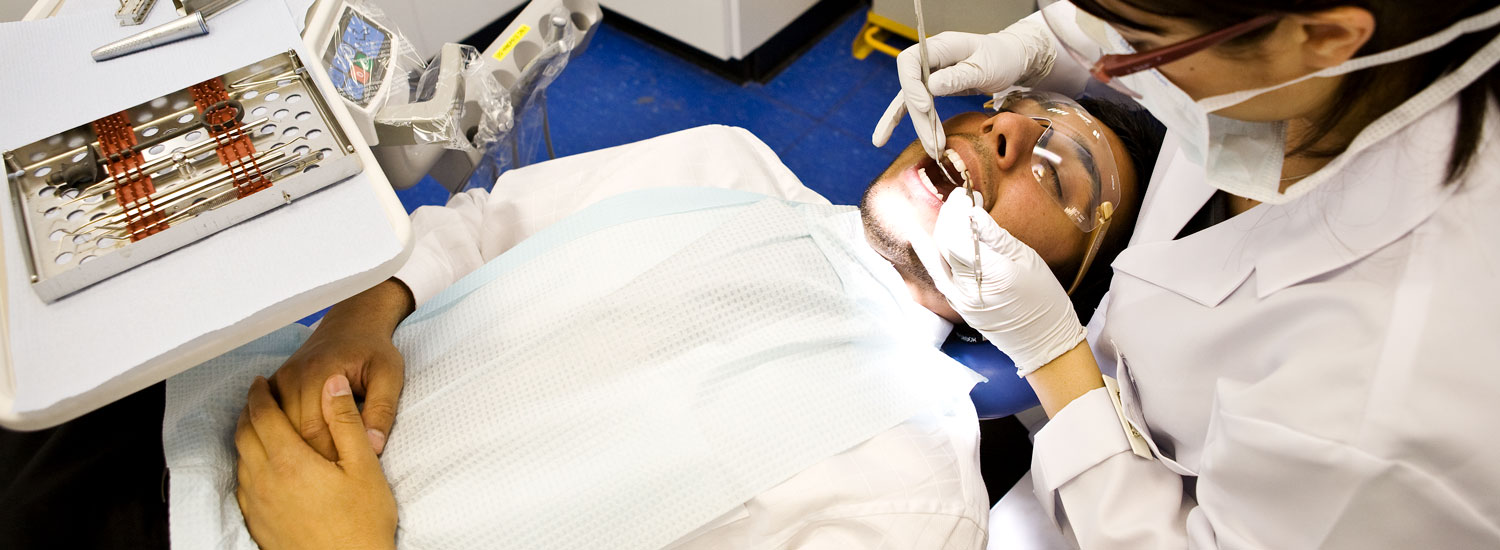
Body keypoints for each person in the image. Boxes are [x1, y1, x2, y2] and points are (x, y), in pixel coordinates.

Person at [225, 95, 1161, 549]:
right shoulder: (724, 166)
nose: (1001, 132)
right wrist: (359, 316)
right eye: (1008, 108)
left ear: (1060, 294)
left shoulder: (914, 496)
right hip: (214, 417)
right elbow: (475, 227)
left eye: (1059, 170)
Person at [881, 0, 1500, 547]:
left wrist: (1050, 353)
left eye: (1140, 42)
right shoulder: (1304, 84)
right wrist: (1045, 46)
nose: (1008, 127)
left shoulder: (1388, 398)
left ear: (1327, 37)